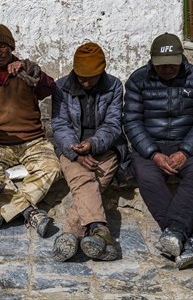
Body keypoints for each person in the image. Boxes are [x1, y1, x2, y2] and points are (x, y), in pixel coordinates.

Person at [123, 33, 193, 269]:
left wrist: (185, 151)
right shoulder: (138, 80)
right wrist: (153, 153)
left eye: (171, 64)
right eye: (161, 64)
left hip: (187, 144)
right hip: (150, 146)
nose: (166, 69)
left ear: (181, 59)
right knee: (147, 175)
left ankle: (173, 233)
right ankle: (183, 236)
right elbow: (132, 121)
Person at [0, 23, 61, 238]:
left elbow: (49, 87)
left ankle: (5, 209)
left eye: (3, 47)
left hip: (33, 142)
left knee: (51, 167)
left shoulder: (26, 70)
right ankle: (28, 211)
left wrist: (31, 71)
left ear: (11, 47)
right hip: (0, 144)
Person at [50, 43, 129, 262]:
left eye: (91, 78)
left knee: (89, 181)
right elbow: (60, 125)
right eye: (81, 77)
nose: (85, 83)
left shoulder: (113, 86)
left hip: (105, 148)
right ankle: (99, 230)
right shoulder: (61, 88)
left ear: (102, 71)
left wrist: (93, 144)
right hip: (72, 148)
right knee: (83, 177)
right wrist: (76, 152)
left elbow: (113, 124)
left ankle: (70, 235)